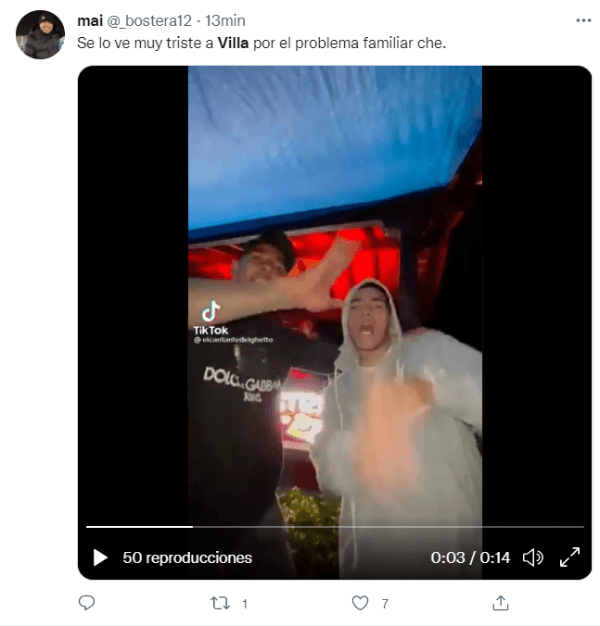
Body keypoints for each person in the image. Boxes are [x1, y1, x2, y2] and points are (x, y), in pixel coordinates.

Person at [187, 231, 359, 578]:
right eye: (259, 259)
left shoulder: (280, 339)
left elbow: (344, 362)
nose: (269, 268)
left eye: (279, 267)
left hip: (262, 512)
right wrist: (287, 291)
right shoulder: (205, 323)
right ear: (234, 268)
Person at [310, 278, 482, 579]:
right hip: (376, 555)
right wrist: (368, 434)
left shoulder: (429, 350)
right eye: (355, 306)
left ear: (391, 318)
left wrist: (433, 391)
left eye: (377, 305)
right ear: (346, 321)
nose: (366, 312)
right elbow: (329, 476)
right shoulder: (338, 391)